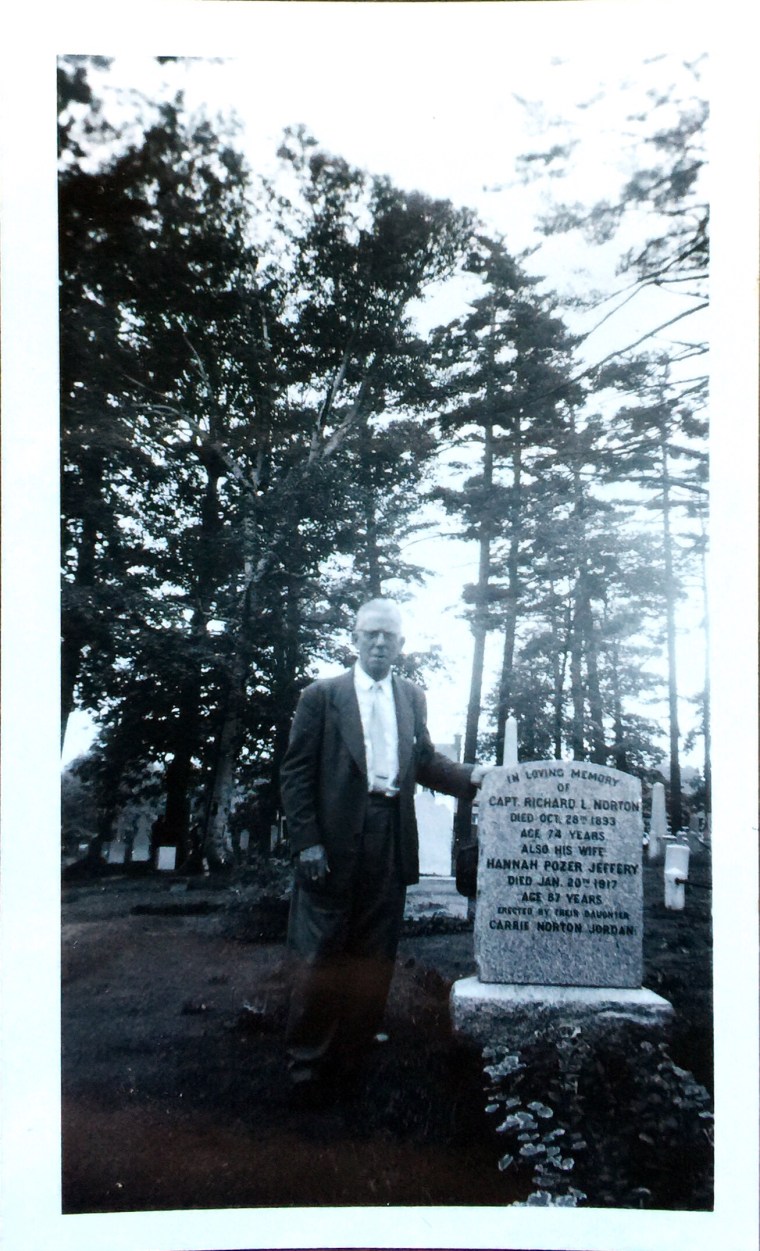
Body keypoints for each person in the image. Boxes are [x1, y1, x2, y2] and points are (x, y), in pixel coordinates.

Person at [280, 597, 491, 1102]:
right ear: (354, 637)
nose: (380, 643)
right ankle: (307, 1066)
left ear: (401, 645)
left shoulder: (411, 697)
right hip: (330, 840)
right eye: (371, 634)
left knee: (375, 955)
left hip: (389, 837)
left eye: (389, 637)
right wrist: (306, 841)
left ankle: (352, 1062)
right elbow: (295, 773)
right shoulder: (321, 696)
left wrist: (473, 777)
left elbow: (424, 762)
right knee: (321, 952)